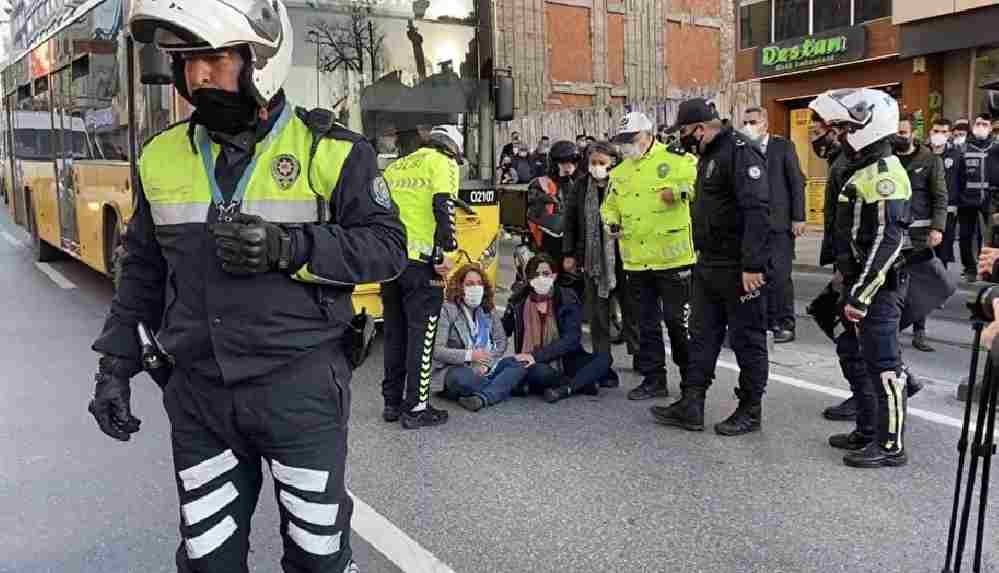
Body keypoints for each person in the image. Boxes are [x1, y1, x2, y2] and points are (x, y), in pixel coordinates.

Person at [88, 0, 407, 570]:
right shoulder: (161, 156)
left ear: (262, 58)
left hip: (300, 390)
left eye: (214, 58)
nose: (198, 76)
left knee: (318, 559)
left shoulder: (330, 150)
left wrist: (292, 247)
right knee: (209, 562)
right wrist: (114, 366)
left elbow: (388, 248)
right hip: (200, 396)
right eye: (187, 61)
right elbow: (141, 268)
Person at [649, 98, 770, 436]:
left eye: (686, 132)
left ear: (701, 128)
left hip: (738, 266)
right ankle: (692, 403)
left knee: (747, 340)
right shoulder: (708, 156)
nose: (683, 139)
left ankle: (750, 409)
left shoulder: (739, 152)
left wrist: (753, 265)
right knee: (701, 335)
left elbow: (758, 211)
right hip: (710, 263)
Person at [816, 88, 912, 467]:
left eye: (843, 127)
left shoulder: (886, 175)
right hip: (859, 283)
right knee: (865, 361)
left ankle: (890, 447)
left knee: (886, 367)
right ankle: (868, 430)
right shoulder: (864, 169)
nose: (837, 134)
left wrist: (861, 296)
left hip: (880, 289)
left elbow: (887, 242)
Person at [601, 112, 696, 401]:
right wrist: (611, 222)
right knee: (646, 323)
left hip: (673, 258)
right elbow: (609, 206)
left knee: (678, 322)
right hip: (636, 259)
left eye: (631, 139)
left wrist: (678, 191)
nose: (627, 146)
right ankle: (655, 379)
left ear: (648, 134)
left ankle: (692, 380)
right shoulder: (619, 172)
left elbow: (699, 188)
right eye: (622, 141)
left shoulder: (678, 159)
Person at [381, 124, 463, 429]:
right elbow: (445, 208)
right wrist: (449, 251)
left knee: (395, 333)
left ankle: (391, 402)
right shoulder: (443, 163)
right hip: (423, 267)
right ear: (453, 147)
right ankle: (416, 407)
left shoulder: (396, 166)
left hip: (391, 265)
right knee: (423, 336)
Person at [562, 141, 639, 371]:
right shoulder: (581, 185)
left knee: (632, 310)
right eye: (593, 162)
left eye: (601, 163)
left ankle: (641, 358)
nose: (596, 167)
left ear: (612, 163)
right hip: (593, 259)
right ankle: (601, 360)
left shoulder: (624, 182)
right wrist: (569, 253)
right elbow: (571, 220)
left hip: (625, 256)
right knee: (598, 314)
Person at [502, 254, 618, 403]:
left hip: (565, 358)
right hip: (534, 363)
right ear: (529, 279)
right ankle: (580, 384)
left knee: (604, 358)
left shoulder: (566, 297)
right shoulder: (518, 301)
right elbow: (503, 331)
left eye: (545, 274)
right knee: (539, 372)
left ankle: (566, 388)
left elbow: (572, 339)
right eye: (536, 274)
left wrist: (536, 356)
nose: (541, 278)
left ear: (554, 276)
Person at [742, 106, 807, 343]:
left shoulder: (782, 147)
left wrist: (798, 217)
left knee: (780, 275)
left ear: (765, 124)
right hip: (753, 227)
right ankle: (766, 322)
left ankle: (784, 322)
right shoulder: (743, 149)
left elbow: (797, 182)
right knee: (758, 275)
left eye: (753, 121)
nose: (748, 126)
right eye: (746, 121)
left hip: (780, 223)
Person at [434, 264, 526, 411]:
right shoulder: (447, 310)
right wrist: (470, 356)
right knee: (463, 379)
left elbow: (501, 342)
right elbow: (437, 351)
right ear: (460, 287)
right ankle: (504, 387)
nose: (475, 288)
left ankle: (482, 398)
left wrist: (487, 363)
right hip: (458, 368)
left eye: (479, 283)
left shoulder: (488, 309)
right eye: (469, 284)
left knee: (520, 364)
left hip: (486, 367)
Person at [894, 112, 948, 352]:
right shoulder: (886, 158)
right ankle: (891, 329)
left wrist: (937, 227)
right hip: (893, 232)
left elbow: (940, 196)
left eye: (903, 132)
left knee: (919, 282)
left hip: (919, 232)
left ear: (913, 133)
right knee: (892, 284)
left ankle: (919, 332)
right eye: (895, 132)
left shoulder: (929, 160)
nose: (899, 136)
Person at [526, 140, 579, 264]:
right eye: (564, 162)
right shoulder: (540, 184)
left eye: (573, 161)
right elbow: (547, 219)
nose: (569, 165)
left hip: (571, 245)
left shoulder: (576, 184)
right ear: (555, 163)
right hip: (546, 244)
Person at [960, 114, 997, 281]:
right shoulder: (963, 147)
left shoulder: (995, 147)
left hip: (990, 199)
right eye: (978, 123)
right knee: (966, 236)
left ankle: (988, 269)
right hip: (967, 199)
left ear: (990, 128)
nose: (981, 126)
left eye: (985, 124)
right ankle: (969, 268)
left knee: (990, 236)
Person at [928, 118, 965, 269]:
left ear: (949, 134)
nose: (939, 134)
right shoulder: (922, 153)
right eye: (936, 131)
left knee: (943, 250)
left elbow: (962, 180)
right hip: (923, 209)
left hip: (947, 211)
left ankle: (939, 284)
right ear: (930, 132)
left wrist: (956, 202)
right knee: (923, 250)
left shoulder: (956, 155)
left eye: (944, 132)